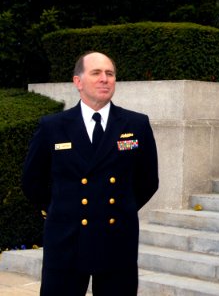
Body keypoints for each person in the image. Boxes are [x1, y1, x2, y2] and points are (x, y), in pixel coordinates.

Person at [22, 51, 159, 296]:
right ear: (78, 82)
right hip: (66, 239)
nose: (105, 79)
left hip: (116, 239)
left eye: (110, 73)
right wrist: (61, 209)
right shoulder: (52, 126)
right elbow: (32, 181)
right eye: (96, 73)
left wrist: (120, 208)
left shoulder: (135, 124)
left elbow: (148, 180)